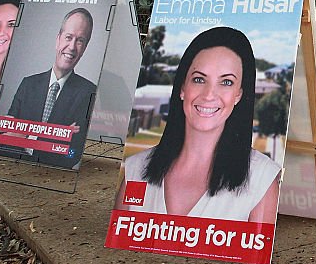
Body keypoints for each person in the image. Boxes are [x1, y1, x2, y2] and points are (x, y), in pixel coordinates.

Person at [116, 26, 280, 223]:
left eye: (226, 82)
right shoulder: (136, 168)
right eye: (199, 79)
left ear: (239, 94)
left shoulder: (262, 178)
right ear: (183, 88)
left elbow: (256, 252)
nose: (209, 95)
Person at [0, 8, 96, 169]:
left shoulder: (89, 93)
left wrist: (25, 137)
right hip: (12, 170)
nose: (72, 47)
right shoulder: (28, 84)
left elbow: (71, 154)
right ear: (58, 40)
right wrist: (55, 137)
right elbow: (4, 142)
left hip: (55, 177)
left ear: (84, 48)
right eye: (68, 37)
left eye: (80, 41)